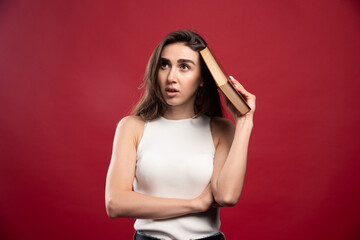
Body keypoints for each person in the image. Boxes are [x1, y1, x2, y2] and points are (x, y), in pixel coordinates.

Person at [105, 30, 256, 240]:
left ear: (203, 78)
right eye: (164, 65)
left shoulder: (221, 129)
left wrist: (245, 122)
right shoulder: (132, 127)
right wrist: (194, 204)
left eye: (184, 67)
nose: (171, 77)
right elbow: (115, 203)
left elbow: (227, 196)